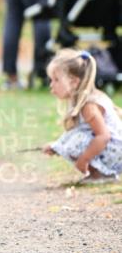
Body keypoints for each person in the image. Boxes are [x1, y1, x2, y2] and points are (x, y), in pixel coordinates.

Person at [43, 50, 122, 183]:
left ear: (74, 82)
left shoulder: (88, 106)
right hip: (114, 150)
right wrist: (56, 147)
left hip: (116, 152)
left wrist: (84, 159)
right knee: (73, 136)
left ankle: (100, 175)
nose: (51, 85)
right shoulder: (84, 100)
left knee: (76, 139)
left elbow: (104, 136)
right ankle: (99, 173)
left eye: (56, 80)